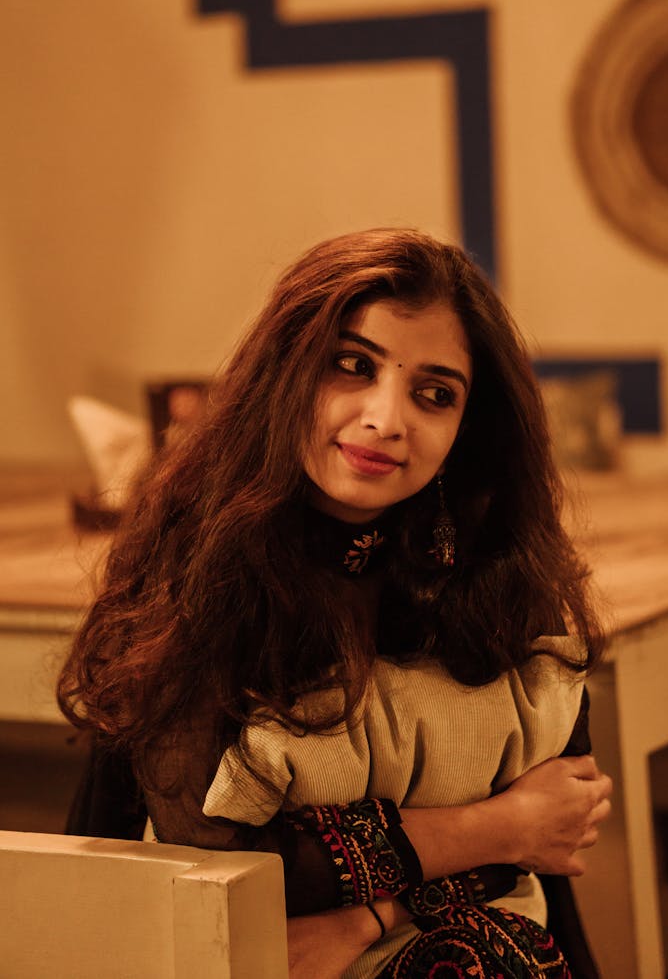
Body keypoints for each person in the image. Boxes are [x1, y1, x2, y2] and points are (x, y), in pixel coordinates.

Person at [58, 228, 612, 979]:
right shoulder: (202, 572)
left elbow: (547, 842)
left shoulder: (503, 577)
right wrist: (495, 825)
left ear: (464, 428)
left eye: (434, 393)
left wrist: (364, 917)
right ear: (288, 374)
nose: (387, 418)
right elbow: (216, 857)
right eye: (352, 366)